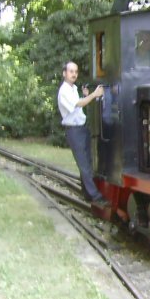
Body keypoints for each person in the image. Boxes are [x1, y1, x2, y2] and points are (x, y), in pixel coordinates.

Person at [57, 61, 106, 204]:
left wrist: (85, 95)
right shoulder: (64, 90)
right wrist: (94, 95)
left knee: (88, 162)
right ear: (64, 73)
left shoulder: (73, 89)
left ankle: (87, 194)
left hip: (81, 129)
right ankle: (96, 196)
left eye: (76, 72)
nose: (74, 74)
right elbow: (78, 104)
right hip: (74, 131)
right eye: (71, 71)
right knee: (84, 164)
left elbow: (79, 102)